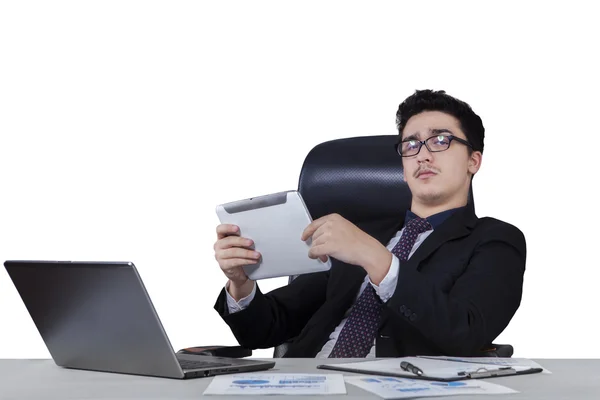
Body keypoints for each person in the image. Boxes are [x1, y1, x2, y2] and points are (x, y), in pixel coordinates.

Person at [213, 89, 526, 358]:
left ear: (474, 160)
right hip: (305, 382)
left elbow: (466, 333)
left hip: (399, 387)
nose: (423, 156)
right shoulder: (359, 235)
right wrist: (241, 284)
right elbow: (267, 329)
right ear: (403, 168)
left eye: (440, 140)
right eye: (411, 145)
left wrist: (375, 258)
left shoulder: (496, 240)